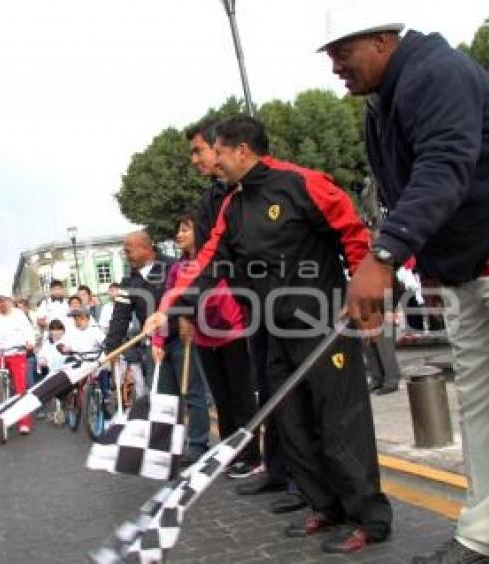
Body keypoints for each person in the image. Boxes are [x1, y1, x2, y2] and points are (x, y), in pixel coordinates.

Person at [320, 7, 489, 562]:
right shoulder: (382, 104)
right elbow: (407, 192)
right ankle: (484, 537)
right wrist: (423, 271)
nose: (335, 66)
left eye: (342, 51)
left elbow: (444, 165)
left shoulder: (436, 71)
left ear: (381, 39)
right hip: (471, 270)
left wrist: (383, 256)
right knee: (481, 408)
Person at [145, 116, 392, 554]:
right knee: (292, 423)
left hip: (325, 324)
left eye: (217, 151)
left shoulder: (302, 183)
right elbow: (208, 262)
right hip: (275, 329)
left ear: (242, 150)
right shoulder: (231, 207)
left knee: (340, 423)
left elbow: (354, 236)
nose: (214, 161)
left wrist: (369, 304)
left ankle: (368, 519)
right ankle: (326, 506)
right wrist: (166, 309)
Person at [186, 116, 303, 511]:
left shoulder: (277, 186)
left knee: (293, 394)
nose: (200, 159)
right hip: (252, 306)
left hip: (292, 306)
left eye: (203, 150)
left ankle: (308, 482)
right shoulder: (212, 202)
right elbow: (211, 261)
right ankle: (278, 468)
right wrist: (180, 305)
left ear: (231, 148)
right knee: (271, 390)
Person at [155, 213, 261, 479]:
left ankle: (250, 455)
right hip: (203, 339)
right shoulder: (178, 268)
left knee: (242, 397)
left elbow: (213, 296)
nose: (179, 235)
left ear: (199, 231)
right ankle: (228, 452)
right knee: (222, 400)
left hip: (231, 332)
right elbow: (168, 300)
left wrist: (186, 315)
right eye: (177, 231)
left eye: (185, 230)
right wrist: (159, 337)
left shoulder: (215, 259)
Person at [103, 230, 211, 464]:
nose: (125, 253)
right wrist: (111, 348)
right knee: (163, 397)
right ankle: (169, 445)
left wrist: (185, 319)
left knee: (192, 394)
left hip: (183, 339)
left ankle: (198, 445)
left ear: (145, 247)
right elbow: (120, 318)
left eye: (128, 248)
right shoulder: (128, 282)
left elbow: (187, 296)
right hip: (156, 344)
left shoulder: (172, 266)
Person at [0, 295, 35, 435]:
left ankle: (24, 422)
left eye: (4, 304)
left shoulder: (19, 314)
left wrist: (30, 342)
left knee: (21, 388)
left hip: (17, 352)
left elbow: (28, 330)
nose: (2, 307)